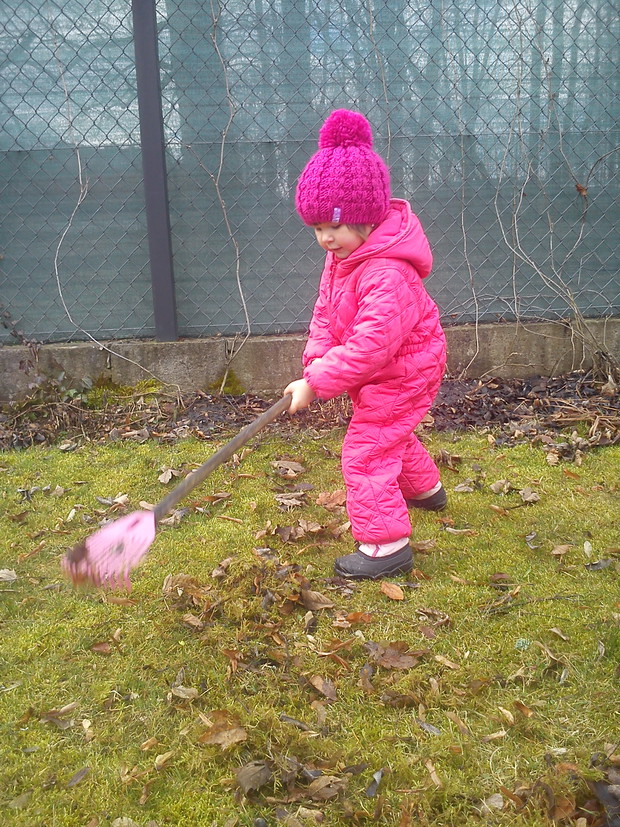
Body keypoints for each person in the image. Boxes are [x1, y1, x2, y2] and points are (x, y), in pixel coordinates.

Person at [284, 109, 447, 580]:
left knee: (367, 450)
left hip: (406, 370)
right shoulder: (345, 257)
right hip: (383, 371)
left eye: (333, 226)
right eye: (316, 228)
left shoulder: (387, 272)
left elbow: (373, 344)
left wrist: (318, 382)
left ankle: (385, 546)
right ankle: (426, 490)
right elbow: (324, 312)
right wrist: (316, 359)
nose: (324, 238)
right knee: (388, 432)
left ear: (366, 218)